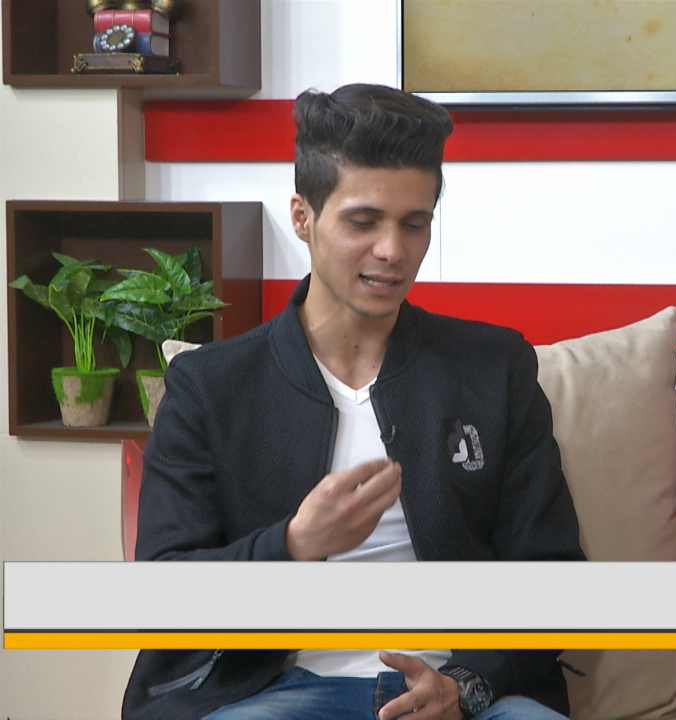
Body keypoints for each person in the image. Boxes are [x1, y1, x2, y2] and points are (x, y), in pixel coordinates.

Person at [122, 84, 585, 720]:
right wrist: (292, 544)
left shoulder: (494, 367)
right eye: (363, 222)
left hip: (460, 692)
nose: (393, 250)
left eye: (414, 223)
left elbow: (553, 577)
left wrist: (465, 684)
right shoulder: (210, 385)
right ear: (303, 217)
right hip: (277, 692)